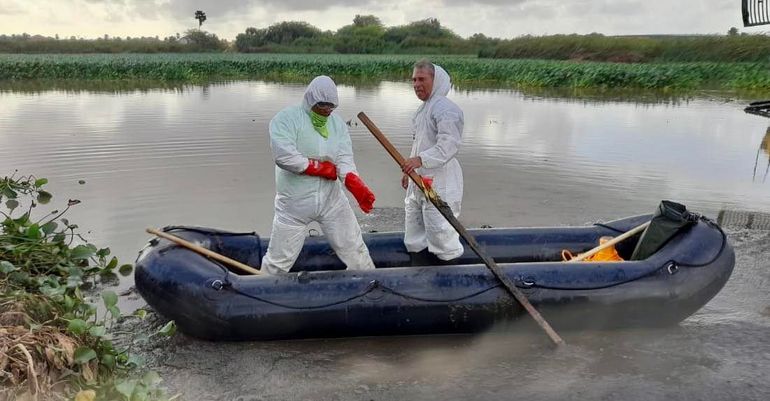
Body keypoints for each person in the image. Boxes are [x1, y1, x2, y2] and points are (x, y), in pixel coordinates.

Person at [261, 75, 376, 275]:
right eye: (322, 105)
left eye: (331, 106)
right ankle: (259, 294)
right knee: (277, 263)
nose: (326, 110)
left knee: (356, 250)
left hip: (331, 201)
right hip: (294, 206)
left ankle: (372, 288)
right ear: (311, 99)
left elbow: (344, 158)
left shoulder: (337, 125)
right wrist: (318, 167)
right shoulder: (286, 119)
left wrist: (353, 181)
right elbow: (283, 156)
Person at [400, 60, 465, 261]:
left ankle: (447, 272)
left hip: (440, 181)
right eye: (414, 80)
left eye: (422, 79)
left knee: (440, 229)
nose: (416, 84)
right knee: (415, 225)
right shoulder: (422, 111)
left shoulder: (445, 109)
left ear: (435, 81)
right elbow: (418, 144)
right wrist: (408, 172)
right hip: (420, 180)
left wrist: (420, 160)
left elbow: (449, 145)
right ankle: (418, 266)